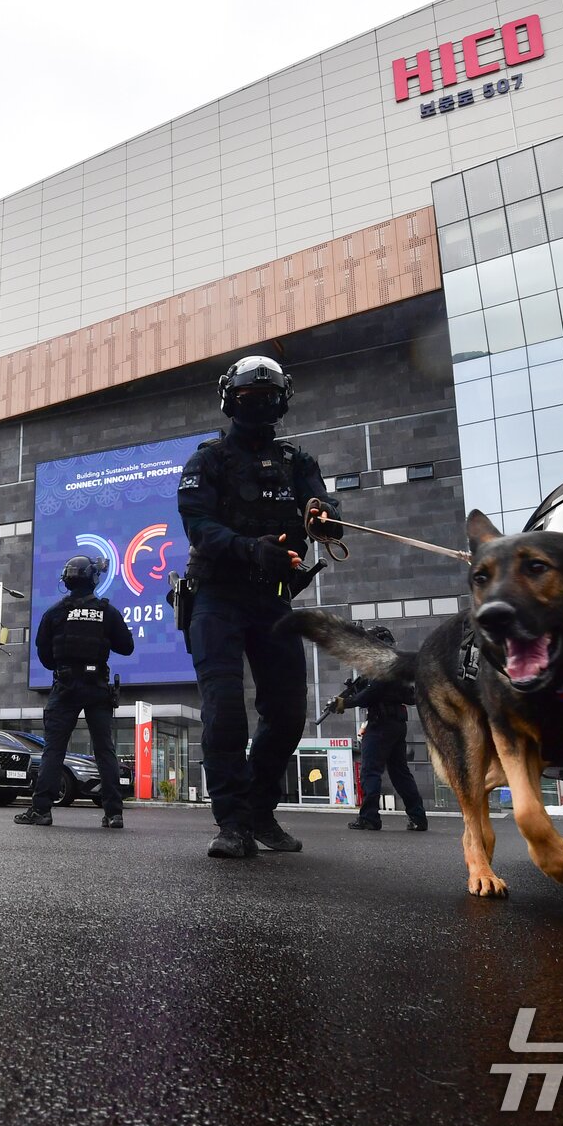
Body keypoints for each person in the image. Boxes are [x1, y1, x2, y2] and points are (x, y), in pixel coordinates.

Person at [176, 354, 340, 859]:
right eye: (250, 399)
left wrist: (324, 517)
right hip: (216, 598)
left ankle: (260, 811)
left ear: (282, 403)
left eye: (269, 400)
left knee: (289, 714)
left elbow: (326, 510)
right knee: (224, 712)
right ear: (230, 400)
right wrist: (251, 548)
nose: (260, 407)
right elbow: (198, 526)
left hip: (273, 601)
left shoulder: (299, 463)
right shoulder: (206, 460)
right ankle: (232, 823)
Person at [14, 556, 134, 829]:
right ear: (93, 579)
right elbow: (127, 647)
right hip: (97, 688)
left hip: (65, 686)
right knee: (105, 750)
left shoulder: (54, 613)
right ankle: (114, 814)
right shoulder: (107, 612)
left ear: (66, 580)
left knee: (54, 750)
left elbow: (44, 656)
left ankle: (41, 810)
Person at [339, 627, 429, 831]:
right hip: (396, 725)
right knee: (400, 773)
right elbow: (409, 696)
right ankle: (418, 817)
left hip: (380, 725)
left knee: (370, 771)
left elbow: (369, 695)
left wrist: (347, 702)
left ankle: (369, 818)